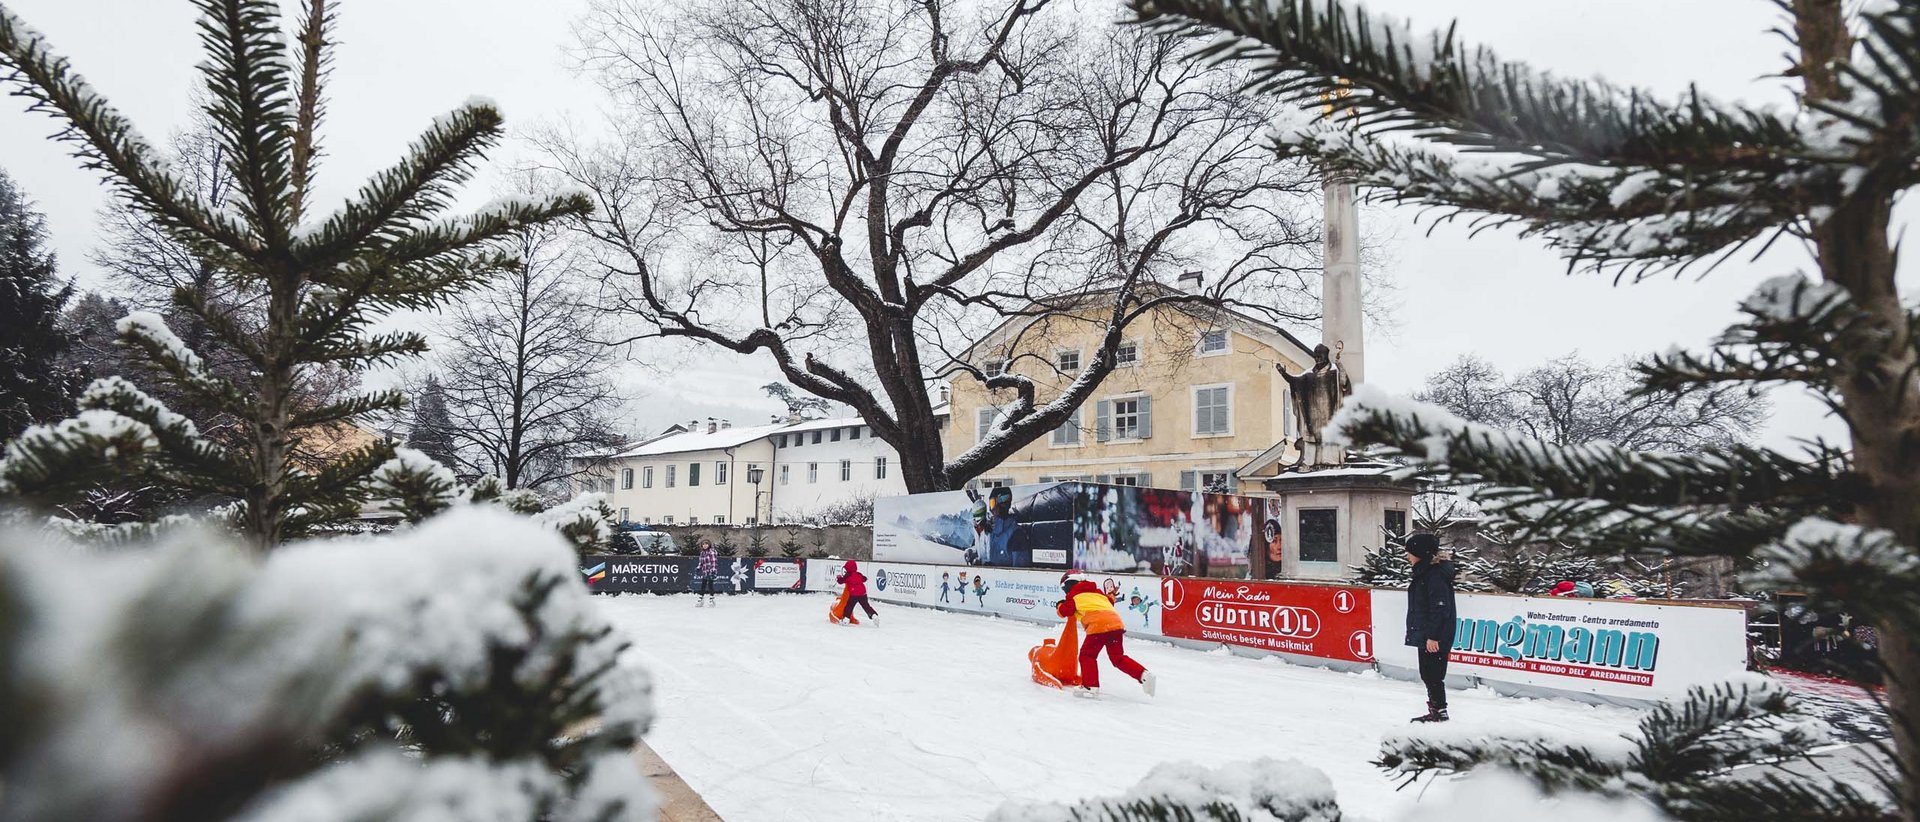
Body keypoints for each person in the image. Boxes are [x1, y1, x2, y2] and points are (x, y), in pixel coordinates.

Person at [1057, 572, 1155, 699]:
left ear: (1069, 584)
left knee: (1087, 655)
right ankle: (1144, 675)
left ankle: (1090, 685)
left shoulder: (1074, 596)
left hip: (1099, 626)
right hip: (1116, 624)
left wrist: (1059, 605)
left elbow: (1064, 611)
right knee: (1118, 658)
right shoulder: (1097, 593)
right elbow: (1110, 601)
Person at [1404, 532, 1457, 722]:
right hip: (1427, 631)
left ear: (1420, 553)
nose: (1408, 556)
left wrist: (1433, 636)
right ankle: (1436, 709)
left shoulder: (1434, 575)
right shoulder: (1425, 572)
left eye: (1410, 552)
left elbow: (1440, 607)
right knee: (1427, 672)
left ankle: (1440, 711)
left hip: (1435, 634)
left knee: (1433, 674)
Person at [835, 560, 878, 625]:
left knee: (849, 606)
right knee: (866, 606)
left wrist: (838, 578)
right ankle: (873, 615)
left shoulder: (848, 576)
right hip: (863, 593)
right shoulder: (858, 574)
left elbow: (841, 581)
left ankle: (846, 619)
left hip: (854, 593)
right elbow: (864, 579)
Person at [695, 540, 719, 608]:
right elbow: (701, 562)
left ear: (709, 545)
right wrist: (698, 568)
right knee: (703, 585)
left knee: (710, 585)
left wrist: (713, 571)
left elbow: (714, 562)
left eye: (706, 544)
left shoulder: (711, 552)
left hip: (710, 571)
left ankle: (712, 599)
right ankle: (701, 599)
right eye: (703, 544)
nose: (705, 545)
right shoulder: (702, 553)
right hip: (705, 572)